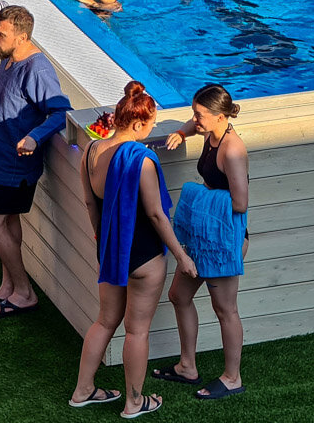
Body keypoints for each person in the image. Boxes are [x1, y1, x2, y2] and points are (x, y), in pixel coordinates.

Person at [69, 82, 197, 418]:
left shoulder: (90, 153)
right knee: (137, 330)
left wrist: (102, 243)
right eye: (152, 124)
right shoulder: (142, 161)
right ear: (138, 124)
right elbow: (156, 215)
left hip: (112, 252)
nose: (152, 129)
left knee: (104, 321)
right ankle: (134, 401)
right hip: (144, 256)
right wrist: (182, 257)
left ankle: (83, 390)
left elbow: (89, 203)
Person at [0, 6, 71, 317]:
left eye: (1, 35)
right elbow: (13, 95)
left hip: (15, 167)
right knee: (9, 222)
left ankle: (24, 291)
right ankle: (7, 286)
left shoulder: (38, 70)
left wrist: (36, 136)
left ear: (23, 37)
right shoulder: (9, 57)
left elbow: (61, 111)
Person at [154, 84, 249, 400]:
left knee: (225, 309)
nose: (194, 119)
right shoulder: (210, 132)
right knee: (179, 295)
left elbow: (240, 203)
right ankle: (187, 367)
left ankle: (232, 378)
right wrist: (181, 133)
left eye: (199, 114)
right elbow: (192, 126)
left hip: (224, 236)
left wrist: (197, 199)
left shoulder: (232, 150)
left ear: (220, 116)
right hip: (204, 232)